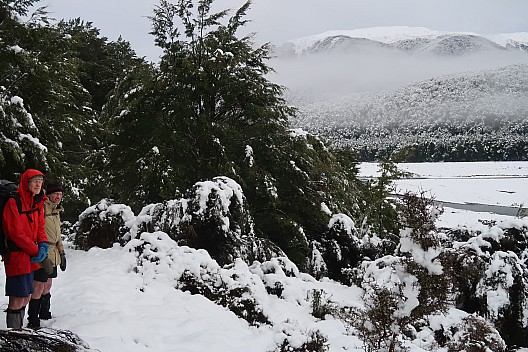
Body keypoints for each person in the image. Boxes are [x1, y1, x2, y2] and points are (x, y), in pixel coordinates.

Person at [2, 169, 49, 329]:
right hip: (16, 257)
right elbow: (16, 234)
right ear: (26, 183)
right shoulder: (14, 202)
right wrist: (37, 251)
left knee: (27, 295)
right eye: (34, 181)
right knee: (17, 297)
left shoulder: (38, 202)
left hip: (30, 257)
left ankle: (18, 331)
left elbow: (41, 227)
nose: (38, 184)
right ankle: (13, 335)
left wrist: (43, 244)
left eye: (40, 181)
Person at [34, 183, 66, 322]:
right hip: (42, 252)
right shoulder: (42, 208)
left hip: (54, 252)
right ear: (49, 195)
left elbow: (57, 235)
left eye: (60, 194)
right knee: (38, 285)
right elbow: (36, 230)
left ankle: (44, 312)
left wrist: (62, 253)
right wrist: (41, 253)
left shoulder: (56, 211)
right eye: (55, 194)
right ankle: (33, 318)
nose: (58, 197)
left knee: (48, 284)